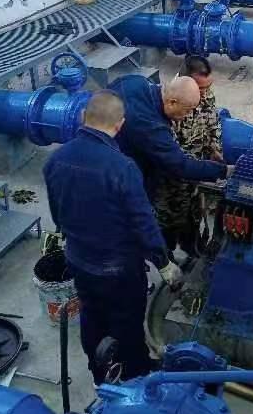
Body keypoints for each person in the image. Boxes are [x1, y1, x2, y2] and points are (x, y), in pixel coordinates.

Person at [43, 91, 182, 385]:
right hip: (119, 269)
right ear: (119, 125)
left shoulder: (55, 160)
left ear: (84, 117)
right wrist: (164, 263)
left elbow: (57, 216)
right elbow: (144, 224)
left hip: (79, 260)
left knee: (92, 316)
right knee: (127, 323)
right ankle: (134, 378)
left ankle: (99, 374)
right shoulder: (122, 168)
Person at [109, 74, 230, 203]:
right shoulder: (152, 128)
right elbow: (180, 165)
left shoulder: (135, 81)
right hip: (119, 180)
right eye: (187, 110)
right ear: (172, 102)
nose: (188, 116)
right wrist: (224, 170)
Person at [153, 56, 223, 255]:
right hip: (172, 181)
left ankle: (192, 248)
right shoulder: (169, 102)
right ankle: (167, 258)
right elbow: (170, 153)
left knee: (194, 217)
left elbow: (213, 121)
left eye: (208, 87)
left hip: (196, 173)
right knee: (168, 223)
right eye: (201, 89)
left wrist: (214, 147)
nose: (206, 93)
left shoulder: (205, 93)